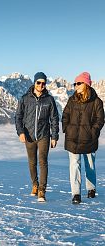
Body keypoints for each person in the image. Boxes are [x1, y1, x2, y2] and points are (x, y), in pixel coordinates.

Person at [15, 72, 59, 202]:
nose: (41, 85)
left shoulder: (49, 100)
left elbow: (54, 119)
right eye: (38, 82)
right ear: (34, 83)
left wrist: (54, 136)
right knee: (32, 162)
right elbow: (18, 117)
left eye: (43, 83)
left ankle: (42, 190)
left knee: (43, 162)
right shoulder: (25, 98)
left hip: (43, 135)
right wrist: (21, 132)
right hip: (28, 135)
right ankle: (34, 184)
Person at [62, 72, 104, 204]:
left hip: (89, 139)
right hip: (72, 138)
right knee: (74, 165)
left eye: (78, 83)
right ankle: (76, 194)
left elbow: (100, 119)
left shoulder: (96, 101)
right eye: (75, 83)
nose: (76, 86)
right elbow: (65, 116)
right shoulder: (71, 99)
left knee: (90, 165)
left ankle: (91, 189)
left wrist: (93, 132)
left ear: (86, 84)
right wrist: (67, 129)